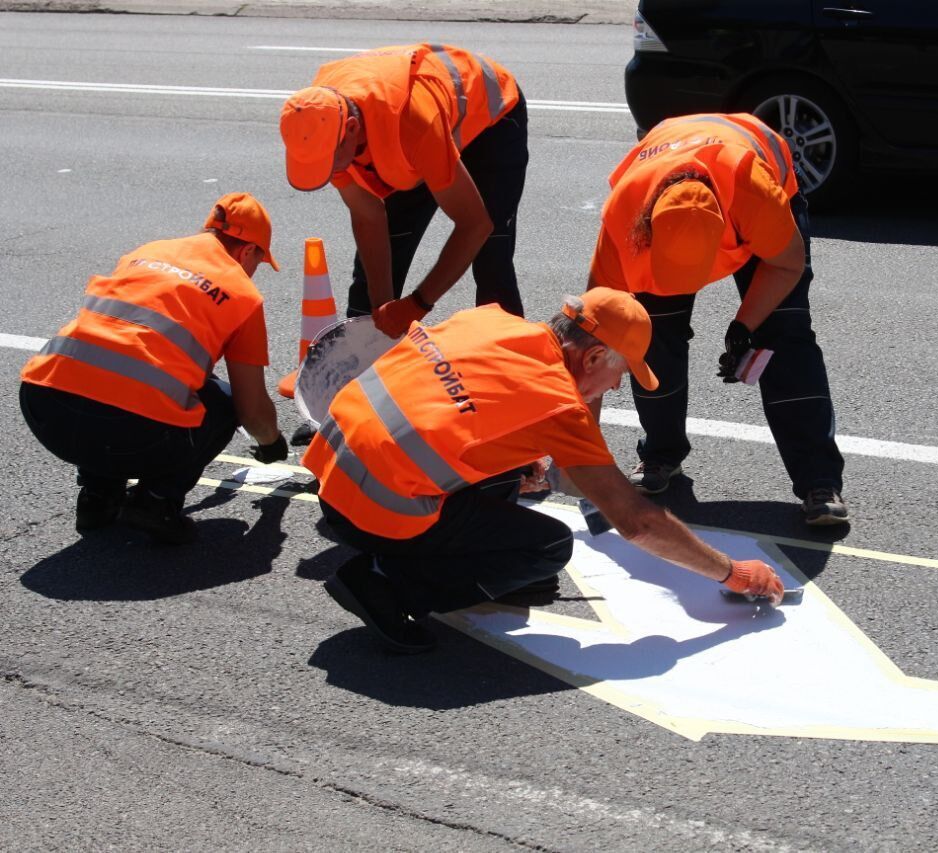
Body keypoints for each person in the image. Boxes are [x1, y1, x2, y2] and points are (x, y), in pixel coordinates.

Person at [304, 289, 784, 653]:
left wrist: (524, 462)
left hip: (332, 481)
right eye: (620, 372)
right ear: (593, 356)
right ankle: (384, 584)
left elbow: (438, 404)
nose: (615, 387)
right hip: (375, 511)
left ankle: (430, 560)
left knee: (512, 482)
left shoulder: (488, 320)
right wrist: (733, 573)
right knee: (547, 547)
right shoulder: (558, 404)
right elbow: (636, 522)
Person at [587, 112, 848, 526]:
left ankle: (819, 481)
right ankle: (660, 455)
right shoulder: (623, 217)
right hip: (671, 173)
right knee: (651, 337)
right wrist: (584, 459)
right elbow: (593, 340)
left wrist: (745, 324)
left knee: (785, 335)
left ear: (726, 232)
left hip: (753, 173)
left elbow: (785, 264)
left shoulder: (754, 194)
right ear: (645, 234)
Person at [18, 193, 289, 544]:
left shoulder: (146, 253)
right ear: (247, 251)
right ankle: (157, 501)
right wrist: (271, 443)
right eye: (258, 262)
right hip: (126, 432)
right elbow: (251, 410)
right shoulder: (242, 293)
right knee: (222, 403)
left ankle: (98, 497)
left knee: (116, 379)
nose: (254, 272)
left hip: (45, 408)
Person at [278, 42, 529, 340]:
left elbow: (475, 225)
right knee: (378, 272)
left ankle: (511, 361)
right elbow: (368, 217)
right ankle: (365, 365)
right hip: (413, 131)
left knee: (491, 256)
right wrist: (382, 312)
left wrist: (416, 304)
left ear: (353, 130)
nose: (330, 173)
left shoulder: (414, 127)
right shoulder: (316, 121)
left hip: (492, 116)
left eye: (329, 164)